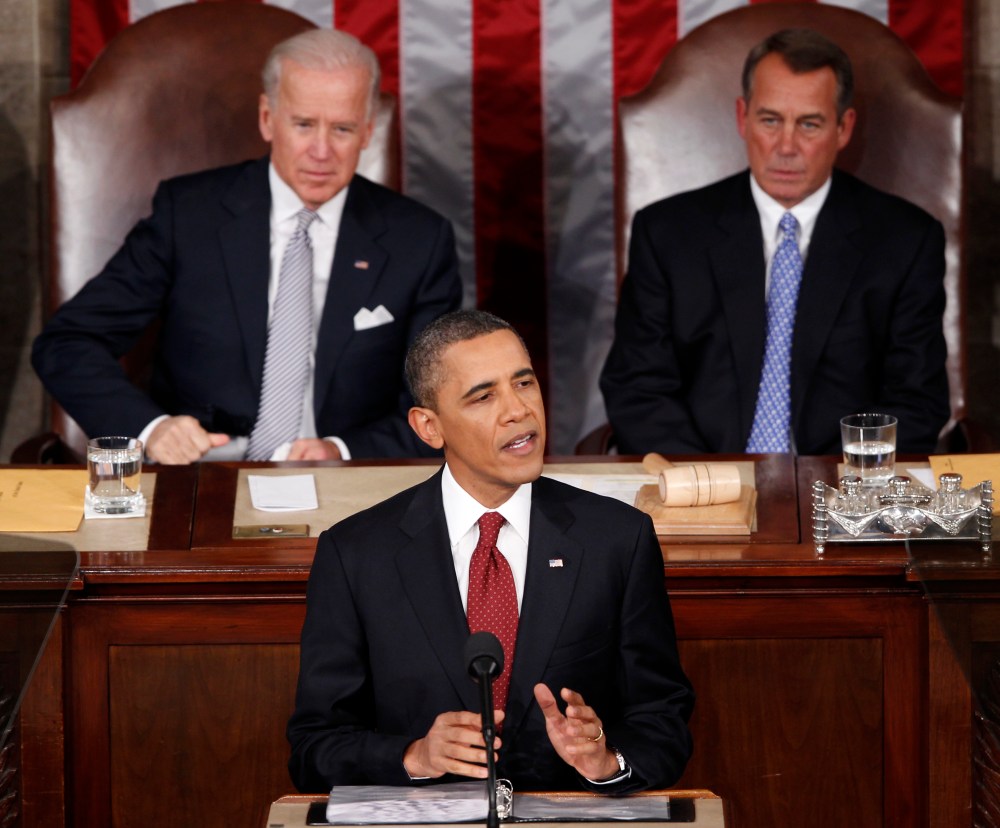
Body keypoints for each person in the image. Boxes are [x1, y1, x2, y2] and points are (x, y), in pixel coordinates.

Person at [287, 309, 694, 793]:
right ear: (429, 427)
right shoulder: (355, 555)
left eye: (524, 384)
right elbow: (314, 749)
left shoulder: (617, 539)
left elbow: (663, 722)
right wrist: (415, 755)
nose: (518, 410)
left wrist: (605, 759)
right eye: (484, 396)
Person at [32, 29, 461, 464]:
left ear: (368, 131)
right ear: (266, 118)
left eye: (343, 129)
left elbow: (441, 407)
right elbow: (67, 343)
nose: (321, 151)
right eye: (303, 124)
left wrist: (343, 451)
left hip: (347, 482)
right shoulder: (189, 216)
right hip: (201, 475)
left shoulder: (419, 242)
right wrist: (151, 429)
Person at [600, 28, 949, 456]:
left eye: (809, 124)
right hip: (702, 488)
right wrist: (708, 483)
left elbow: (916, 402)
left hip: (845, 495)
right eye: (770, 120)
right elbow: (638, 388)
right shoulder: (667, 233)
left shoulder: (906, 241)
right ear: (742, 118)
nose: (786, 146)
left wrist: (838, 492)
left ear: (843, 128)